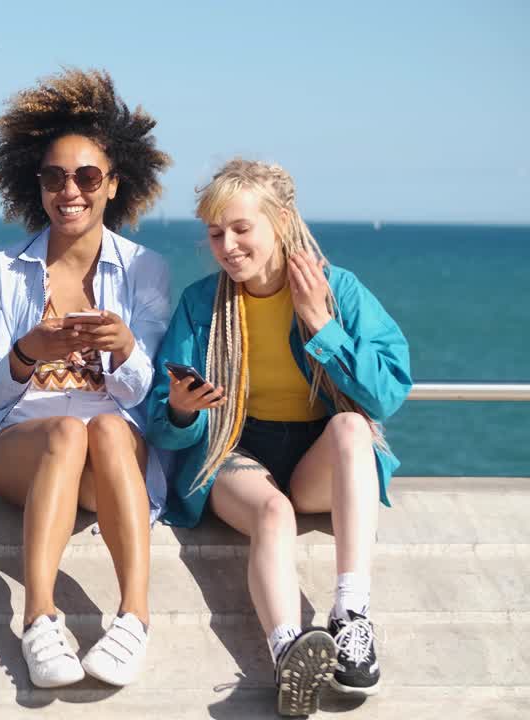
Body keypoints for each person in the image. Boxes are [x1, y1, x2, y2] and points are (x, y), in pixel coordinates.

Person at [0, 68, 172, 689]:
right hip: (24, 439)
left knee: (110, 432)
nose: (71, 190)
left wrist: (122, 349)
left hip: (110, 450)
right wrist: (28, 349)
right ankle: (39, 618)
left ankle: (134, 618)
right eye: (54, 176)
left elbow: (142, 393)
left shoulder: (145, 270)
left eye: (87, 176)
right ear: (35, 185)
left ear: (113, 185)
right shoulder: (0, 272)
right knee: (67, 429)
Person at [147, 159, 412, 715]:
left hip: (318, 458)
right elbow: (164, 431)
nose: (228, 245)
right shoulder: (202, 305)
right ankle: (289, 652)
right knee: (273, 515)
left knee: (350, 425)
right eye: (217, 233)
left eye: (242, 228)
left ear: (281, 222)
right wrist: (180, 411)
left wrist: (321, 324)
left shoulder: (337, 290)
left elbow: (388, 394)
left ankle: (351, 617)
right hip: (235, 455)